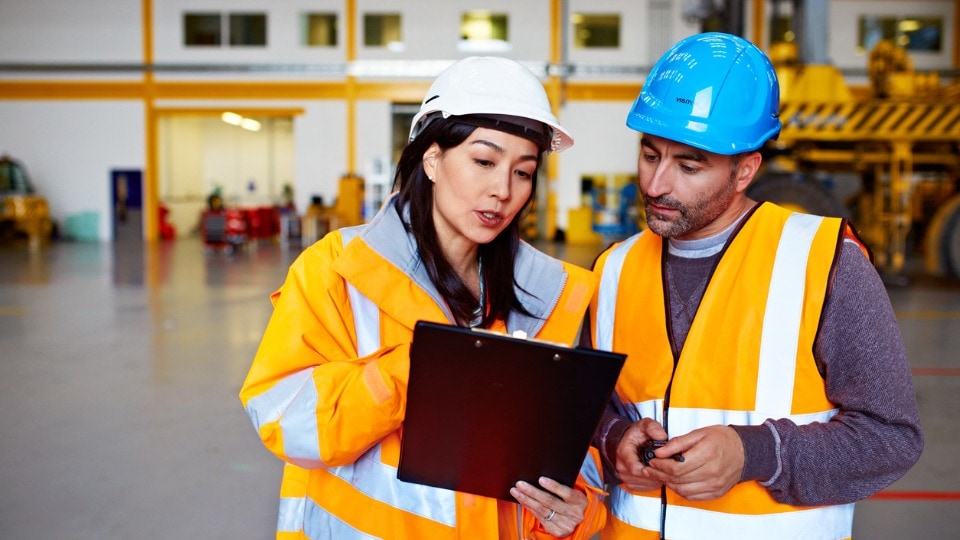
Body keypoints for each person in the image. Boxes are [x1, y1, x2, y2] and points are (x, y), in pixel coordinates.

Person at [239, 56, 608, 539]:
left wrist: (577, 513)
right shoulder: (338, 269)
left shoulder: (555, 297)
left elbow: (577, 452)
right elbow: (285, 422)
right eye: (483, 161)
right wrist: (419, 367)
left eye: (523, 172)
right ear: (432, 158)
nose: (503, 190)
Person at [588, 32, 924, 539]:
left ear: (745, 170)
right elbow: (585, 406)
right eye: (650, 154)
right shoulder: (612, 269)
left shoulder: (826, 263)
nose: (656, 185)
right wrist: (613, 437)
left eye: (688, 165)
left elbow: (890, 438)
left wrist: (756, 454)